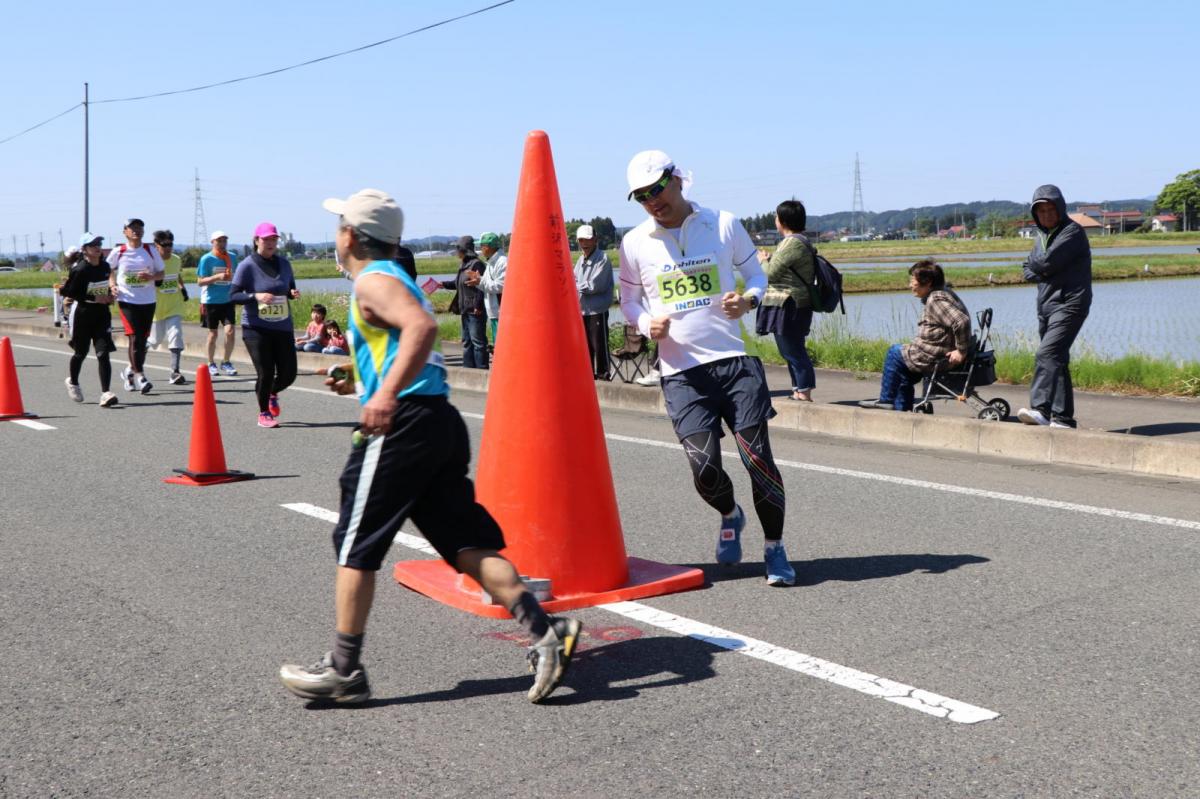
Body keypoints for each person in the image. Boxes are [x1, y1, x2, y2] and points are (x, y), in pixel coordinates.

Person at [279, 188, 581, 705]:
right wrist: (359, 377)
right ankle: (547, 632)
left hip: (404, 426)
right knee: (464, 545)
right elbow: (408, 341)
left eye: (338, 229)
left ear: (350, 236)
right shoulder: (396, 278)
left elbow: (420, 329)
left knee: (356, 542)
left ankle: (344, 669)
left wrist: (385, 395)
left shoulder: (373, 280)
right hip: (438, 421)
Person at [618, 149, 796, 587]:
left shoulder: (722, 223)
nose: (652, 201)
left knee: (759, 460)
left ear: (677, 180)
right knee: (704, 469)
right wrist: (645, 322)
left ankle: (775, 549)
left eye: (657, 189)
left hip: (734, 363)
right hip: (681, 373)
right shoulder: (634, 242)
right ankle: (729, 513)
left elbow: (757, 278)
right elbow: (629, 300)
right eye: (641, 196)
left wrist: (747, 300)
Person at [1017, 184, 1092, 429]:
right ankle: (1063, 419)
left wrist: (1035, 266)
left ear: (1060, 209)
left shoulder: (1072, 232)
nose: (1047, 214)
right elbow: (1029, 269)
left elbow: (1044, 263)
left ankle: (1040, 409)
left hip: (1070, 303)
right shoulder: (1041, 237)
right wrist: (1036, 267)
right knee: (1057, 359)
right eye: (1041, 211)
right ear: (1035, 214)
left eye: (1051, 209)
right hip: (1047, 304)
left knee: (1046, 354)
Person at [858, 259, 970, 412]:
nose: (910, 285)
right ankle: (902, 411)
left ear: (928, 282)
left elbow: (961, 321)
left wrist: (961, 351)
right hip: (936, 353)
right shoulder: (944, 293)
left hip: (934, 356)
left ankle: (886, 399)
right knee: (903, 372)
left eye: (913, 281)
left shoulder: (935, 300)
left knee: (894, 353)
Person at [229, 222, 299, 428]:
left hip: (283, 326)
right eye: (266, 239)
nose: (270, 243)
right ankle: (264, 413)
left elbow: (289, 289)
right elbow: (233, 295)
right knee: (265, 372)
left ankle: (272, 392)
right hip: (256, 328)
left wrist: (292, 294)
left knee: (289, 374)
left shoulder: (285, 264)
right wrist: (255, 296)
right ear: (257, 240)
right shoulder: (247, 265)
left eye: (274, 239)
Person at [756, 201, 816, 401]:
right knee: (789, 349)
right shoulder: (797, 241)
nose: (775, 219)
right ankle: (798, 390)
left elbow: (770, 274)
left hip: (789, 303)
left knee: (792, 349)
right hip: (789, 303)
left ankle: (804, 391)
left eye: (776, 216)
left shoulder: (792, 242)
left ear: (782, 220)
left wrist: (763, 260)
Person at [60, 233, 118, 408]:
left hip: (101, 315)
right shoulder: (80, 269)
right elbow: (68, 292)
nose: (97, 247)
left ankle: (106, 393)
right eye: (92, 245)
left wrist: (110, 294)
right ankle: (73, 382)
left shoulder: (105, 266)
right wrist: (93, 297)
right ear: (84, 250)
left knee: (103, 353)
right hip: (82, 313)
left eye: (99, 243)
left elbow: (108, 282)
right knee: (81, 353)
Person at [107, 217, 164, 394]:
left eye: (139, 227)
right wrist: (112, 285)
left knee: (142, 340)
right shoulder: (119, 251)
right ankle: (140, 375)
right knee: (134, 338)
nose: (136, 230)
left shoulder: (150, 250)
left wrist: (151, 277)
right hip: (127, 300)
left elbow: (161, 273)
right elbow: (107, 270)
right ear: (125, 231)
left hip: (147, 300)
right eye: (132, 228)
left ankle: (129, 372)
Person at [196, 231, 239, 377]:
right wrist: (216, 277)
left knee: (230, 331)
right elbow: (200, 282)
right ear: (212, 242)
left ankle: (226, 362)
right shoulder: (206, 259)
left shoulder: (232, 257)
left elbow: (237, 277)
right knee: (213, 334)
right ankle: (211, 363)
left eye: (224, 241)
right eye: (219, 241)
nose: (222, 244)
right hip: (210, 301)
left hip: (227, 300)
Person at [440, 235, 488, 369]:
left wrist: (478, 306)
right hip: (465, 309)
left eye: (457, 249)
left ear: (463, 249)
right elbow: (459, 283)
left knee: (478, 342)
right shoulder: (464, 264)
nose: (456, 252)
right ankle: (468, 369)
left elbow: (481, 286)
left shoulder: (476, 264)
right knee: (467, 341)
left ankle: (482, 370)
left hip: (474, 310)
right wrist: (444, 285)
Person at [147, 230, 188, 385]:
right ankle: (133, 367)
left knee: (176, 334)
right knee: (154, 341)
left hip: (174, 305)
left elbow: (177, 274)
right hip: (156, 307)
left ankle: (175, 372)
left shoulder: (176, 259)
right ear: (156, 245)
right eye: (164, 245)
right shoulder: (151, 261)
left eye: (170, 244)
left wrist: (183, 288)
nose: (168, 248)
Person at [574, 224, 614, 379]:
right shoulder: (580, 260)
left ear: (595, 240)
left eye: (588, 239)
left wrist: (576, 286)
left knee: (600, 344)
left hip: (597, 310)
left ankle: (604, 374)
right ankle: (588, 374)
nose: (584, 243)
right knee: (585, 346)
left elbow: (596, 285)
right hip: (583, 310)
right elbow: (574, 277)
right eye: (581, 240)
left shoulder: (603, 258)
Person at [476, 232, 507, 346]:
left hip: (500, 312)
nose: (480, 249)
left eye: (481, 246)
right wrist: (477, 280)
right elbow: (487, 284)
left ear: (487, 247)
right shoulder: (490, 262)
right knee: (498, 345)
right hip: (494, 311)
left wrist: (479, 281)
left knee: (502, 345)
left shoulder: (502, 262)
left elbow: (500, 286)